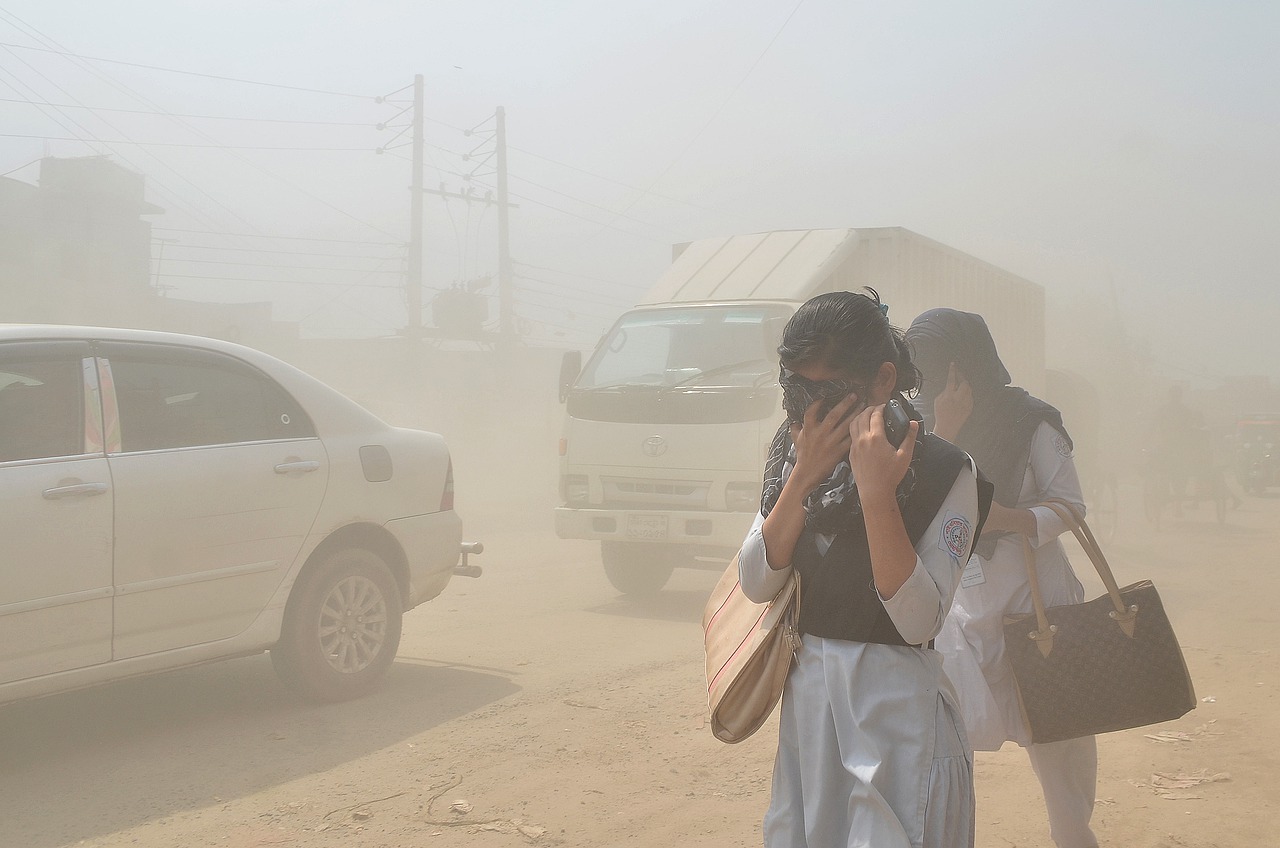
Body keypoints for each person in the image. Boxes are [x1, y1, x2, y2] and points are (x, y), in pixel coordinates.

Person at [738, 290, 991, 848]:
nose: (809, 413)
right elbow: (757, 580)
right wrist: (802, 478)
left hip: (897, 725)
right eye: (795, 391)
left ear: (882, 380)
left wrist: (878, 496)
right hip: (811, 722)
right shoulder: (791, 454)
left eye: (826, 393)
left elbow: (918, 621)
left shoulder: (946, 470)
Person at [905, 308, 1099, 848]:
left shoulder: (1030, 420)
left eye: (939, 366)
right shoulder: (916, 426)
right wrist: (946, 429)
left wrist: (1010, 520)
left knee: (1060, 739)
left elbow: (1072, 506)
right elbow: (909, 509)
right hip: (960, 609)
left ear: (967, 364)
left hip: (1038, 601)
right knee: (943, 741)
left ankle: (1074, 838)